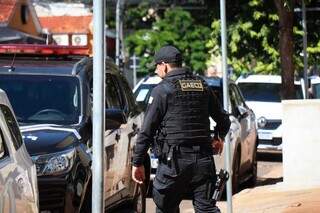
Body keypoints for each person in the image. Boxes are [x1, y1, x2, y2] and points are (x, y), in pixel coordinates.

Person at [132, 45, 231, 213]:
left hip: (174, 163)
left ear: (164, 65)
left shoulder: (162, 90)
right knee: (206, 209)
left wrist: (137, 162)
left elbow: (147, 130)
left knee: (166, 209)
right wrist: (218, 137)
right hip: (203, 160)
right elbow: (223, 119)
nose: (156, 71)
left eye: (157, 66)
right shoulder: (202, 86)